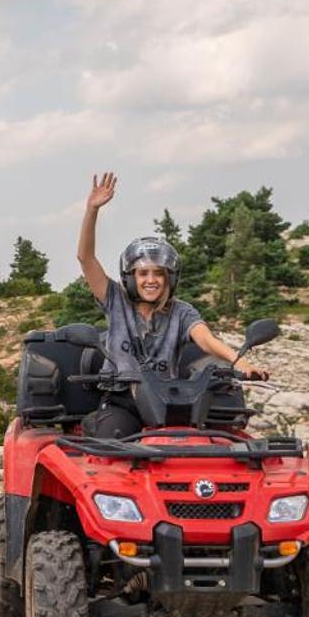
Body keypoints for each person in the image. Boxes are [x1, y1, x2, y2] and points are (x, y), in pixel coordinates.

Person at [76, 172, 268, 439]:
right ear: (131, 278)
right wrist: (92, 210)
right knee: (112, 443)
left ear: (170, 278)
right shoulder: (115, 300)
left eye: (159, 274)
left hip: (169, 402)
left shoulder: (182, 312)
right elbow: (85, 258)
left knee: (204, 448)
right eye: (143, 274)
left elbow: (206, 340)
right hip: (122, 401)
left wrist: (240, 362)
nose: (151, 280)